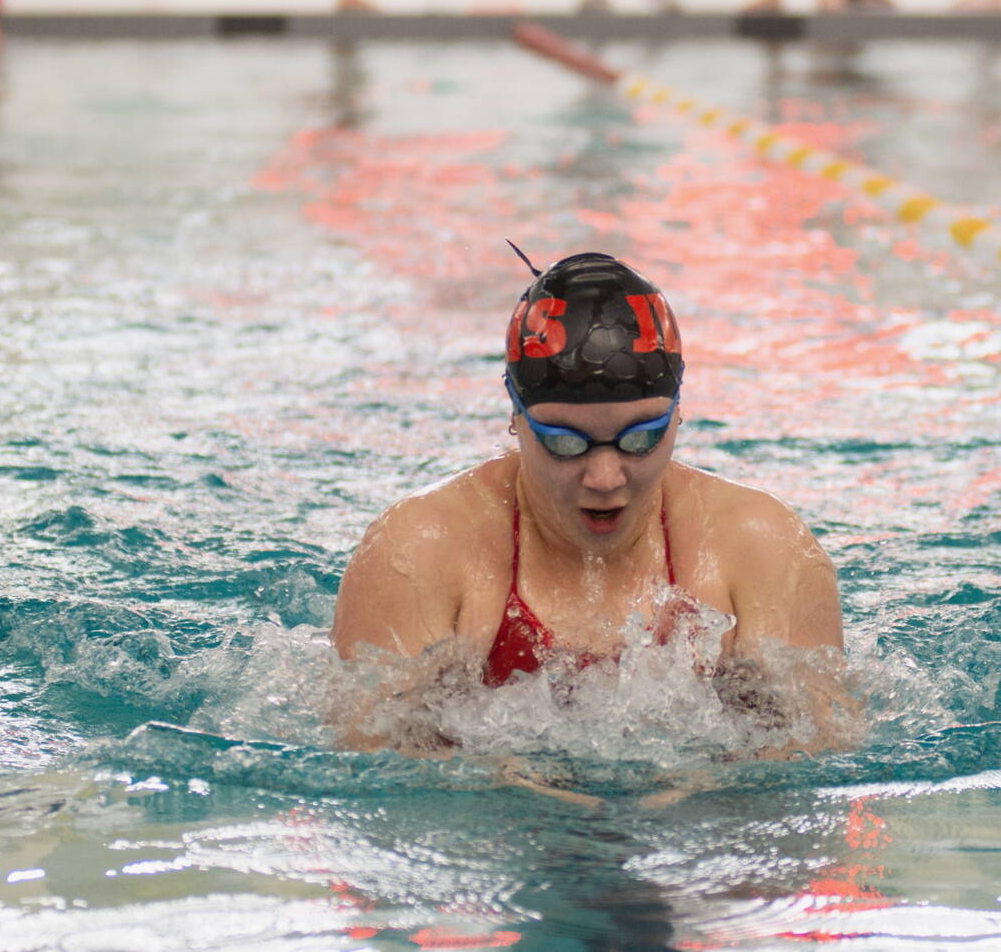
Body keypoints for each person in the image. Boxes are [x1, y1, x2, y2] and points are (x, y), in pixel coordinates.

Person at [332, 253, 850, 756]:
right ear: (516, 414)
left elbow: (817, 765)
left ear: (677, 414)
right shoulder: (422, 547)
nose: (605, 478)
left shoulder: (759, 544)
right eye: (566, 442)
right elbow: (370, 766)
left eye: (640, 439)